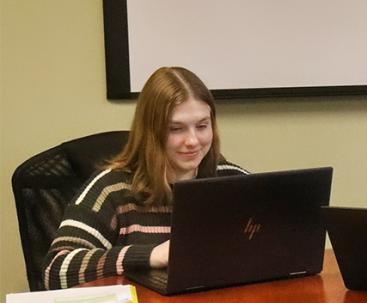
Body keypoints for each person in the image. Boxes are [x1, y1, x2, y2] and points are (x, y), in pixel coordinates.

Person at [42, 67, 247, 289]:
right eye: (176, 129)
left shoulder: (233, 181)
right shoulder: (112, 189)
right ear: (151, 132)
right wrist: (150, 255)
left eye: (202, 126)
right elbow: (55, 271)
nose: (193, 141)